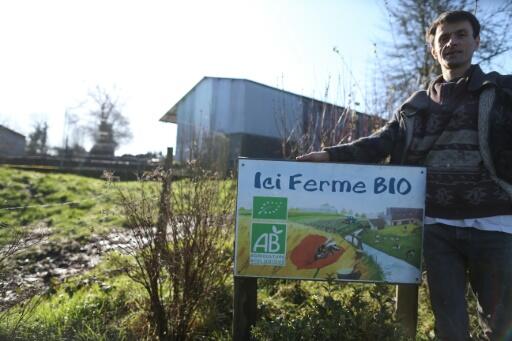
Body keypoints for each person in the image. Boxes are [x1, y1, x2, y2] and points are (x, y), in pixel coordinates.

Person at [297, 10, 512, 341]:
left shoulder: (501, 92)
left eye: (461, 35)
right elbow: (380, 142)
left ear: (476, 41)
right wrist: (328, 156)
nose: (452, 42)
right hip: (436, 227)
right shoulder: (415, 106)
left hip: (494, 223)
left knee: (501, 326)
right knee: (450, 328)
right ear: (433, 49)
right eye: (444, 38)